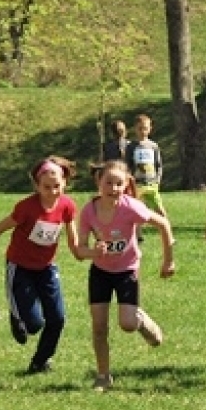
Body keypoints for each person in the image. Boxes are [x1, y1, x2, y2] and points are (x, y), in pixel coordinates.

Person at [77, 160, 175, 391]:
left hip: (126, 270)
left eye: (118, 184)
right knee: (99, 326)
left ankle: (140, 320)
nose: (113, 188)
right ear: (98, 183)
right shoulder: (89, 211)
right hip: (100, 272)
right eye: (108, 183)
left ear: (126, 184)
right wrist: (93, 251)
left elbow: (162, 224)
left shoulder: (131, 207)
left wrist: (169, 260)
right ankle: (103, 376)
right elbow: (80, 248)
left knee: (127, 324)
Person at [0, 156, 80, 374]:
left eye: (57, 187)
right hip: (20, 267)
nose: (52, 192)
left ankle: (40, 361)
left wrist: (90, 252)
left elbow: (74, 241)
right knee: (34, 325)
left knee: (57, 318)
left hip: (46, 267)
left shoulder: (67, 206)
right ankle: (17, 317)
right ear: (36, 185)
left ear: (64, 184)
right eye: (46, 187)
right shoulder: (26, 208)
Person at [126, 114, 171, 225]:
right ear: (135, 129)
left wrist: (158, 179)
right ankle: (137, 235)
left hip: (151, 183)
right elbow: (127, 165)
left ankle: (167, 228)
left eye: (145, 128)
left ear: (150, 129)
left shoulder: (153, 146)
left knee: (159, 207)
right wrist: (129, 181)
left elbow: (158, 164)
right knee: (137, 209)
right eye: (139, 128)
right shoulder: (131, 146)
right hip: (137, 184)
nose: (142, 131)